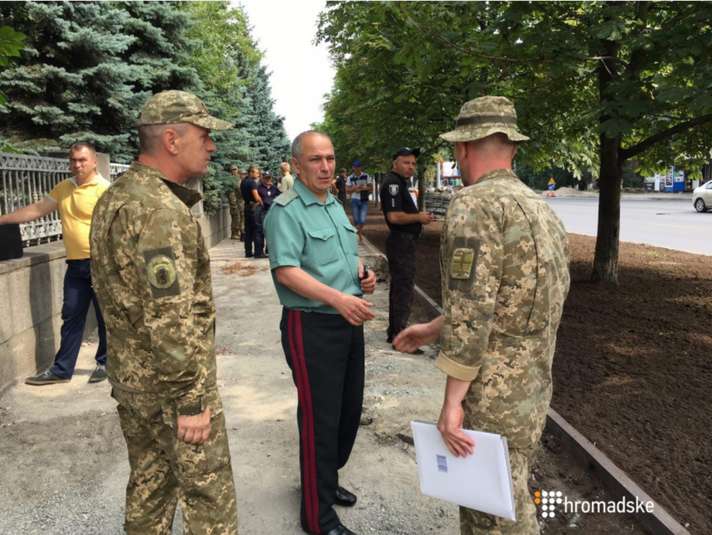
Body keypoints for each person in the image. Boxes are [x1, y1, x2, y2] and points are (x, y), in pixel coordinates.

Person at [394, 96, 571, 535]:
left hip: (490, 394)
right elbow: (512, 299)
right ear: (512, 146)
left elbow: (473, 312)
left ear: (463, 147)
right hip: (532, 389)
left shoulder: (474, 205)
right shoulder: (541, 209)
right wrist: (434, 328)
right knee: (511, 494)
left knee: (492, 517)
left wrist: (452, 404)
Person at [89, 90, 238, 534]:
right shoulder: (160, 210)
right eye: (204, 135)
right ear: (172, 140)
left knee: (151, 485)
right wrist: (191, 401)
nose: (212, 145)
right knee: (209, 497)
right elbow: (169, 317)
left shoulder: (116, 197)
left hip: (134, 381)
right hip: (172, 390)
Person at [264, 130, 377, 535]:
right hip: (312, 325)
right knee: (320, 420)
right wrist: (337, 298)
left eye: (330, 158)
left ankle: (323, 484)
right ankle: (317, 517)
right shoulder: (286, 211)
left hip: (347, 320)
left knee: (347, 412)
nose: (326, 167)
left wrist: (363, 276)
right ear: (297, 165)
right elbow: (286, 271)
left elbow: (342, 258)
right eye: (315, 159)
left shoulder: (333, 205)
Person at [0, 143, 109, 385]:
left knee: (106, 317)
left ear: (94, 162)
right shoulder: (64, 188)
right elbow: (37, 209)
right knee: (71, 316)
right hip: (76, 265)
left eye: (82, 160)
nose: (77, 165)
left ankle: (105, 363)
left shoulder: (104, 190)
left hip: (101, 264)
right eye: (73, 160)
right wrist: (3, 219)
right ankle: (62, 370)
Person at [379, 147, 433, 347]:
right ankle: (399, 336)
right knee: (403, 288)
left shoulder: (400, 182)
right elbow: (394, 216)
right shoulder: (393, 183)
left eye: (413, 163)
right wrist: (419, 217)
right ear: (395, 163)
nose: (411, 167)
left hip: (405, 242)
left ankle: (395, 331)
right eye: (406, 162)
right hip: (400, 241)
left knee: (402, 287)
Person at [255, 170, 279, 258]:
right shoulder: (258, 188)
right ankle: (259, 252)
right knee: (260, 231)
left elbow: (280, 196)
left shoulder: (274, 188)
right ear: (262, 178)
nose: (268, 180)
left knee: (271, 231)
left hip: (271, 211)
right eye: (266, 178)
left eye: (269, 178)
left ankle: (269, 250)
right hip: (261, 211)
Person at [346, 160, 371, 241]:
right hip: (354, 200)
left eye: (358, 167)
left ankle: (359, 234)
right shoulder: (350, 178)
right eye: (355, 167)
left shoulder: (366, 176)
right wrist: (354, 189)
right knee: (356, 220)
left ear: (361, 167)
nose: (356, 168)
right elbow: (347, 190)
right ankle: (359, 234)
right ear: (353, 167)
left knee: (362, 219)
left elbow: (371, 188)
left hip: (364, 200)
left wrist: (363, 188)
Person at [241, 165, 262, 258]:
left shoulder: (243, 181)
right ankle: (258, 252)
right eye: (256, 172)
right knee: (257, 230)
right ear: (251, 172)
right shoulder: (252, 182)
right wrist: (261, 202)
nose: (258, 174)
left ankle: (248, 252)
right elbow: (256, 197)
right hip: (253, 207)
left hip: (246, 206)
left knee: (248, 230)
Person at [227, 164, 245, 241]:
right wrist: (233, 203)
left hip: (240, 202)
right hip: (234, 203)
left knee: (241, 217)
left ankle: (241, 233)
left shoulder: (239, 179)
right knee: (235, 218)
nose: (234, 171)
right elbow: (231, 193)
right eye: (233, 169)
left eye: (235, 169)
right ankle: (234, 233)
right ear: (230, 171)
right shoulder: (230, 180)